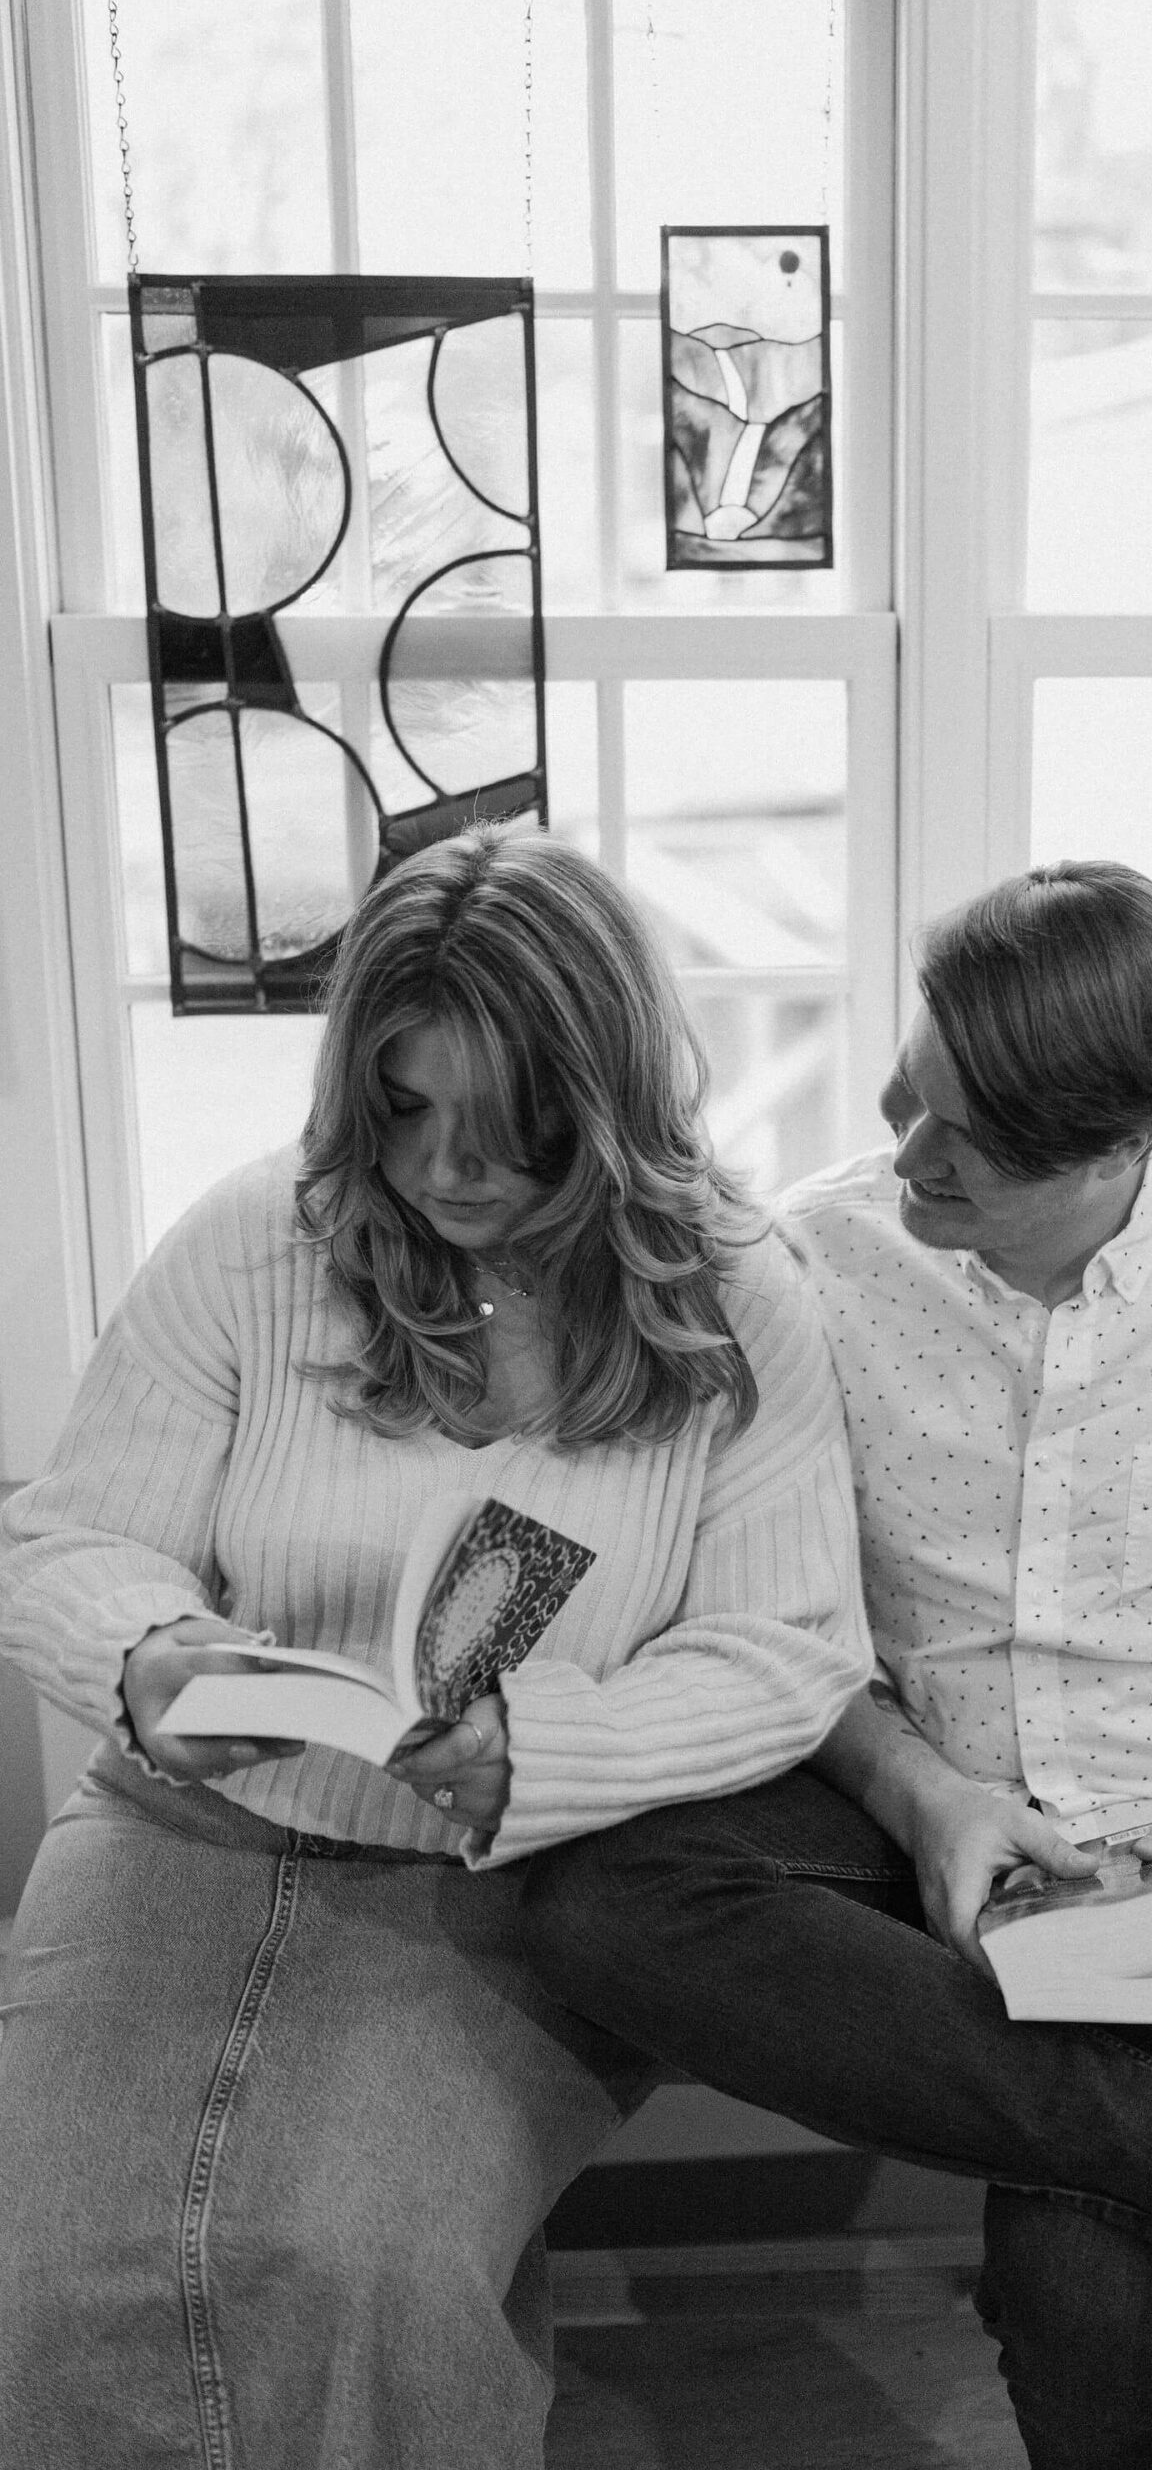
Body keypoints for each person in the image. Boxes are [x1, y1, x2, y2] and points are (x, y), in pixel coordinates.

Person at [522, 860, 1152, 2470]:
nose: (907, 1153)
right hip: (913, 1818)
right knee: (603, 1898)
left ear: (1132, 1143)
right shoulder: (817, 1264)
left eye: (968, 1141)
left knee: (1089, 2303)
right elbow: (757, 1604)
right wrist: (917, 1793)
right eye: (909, 1093)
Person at [0, 827, 875, 2470]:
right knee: (42, 2274)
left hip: (508, 1867)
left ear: (603, 1103)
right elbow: (71, 1537)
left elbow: (787, 1648)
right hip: (179, 1828)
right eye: (404, 1111)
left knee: (363, 2265)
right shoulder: (256, 1241)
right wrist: (146, 1653)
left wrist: (552, 1757)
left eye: (511, 1128)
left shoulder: (741, 1294)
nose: (451, 1173)